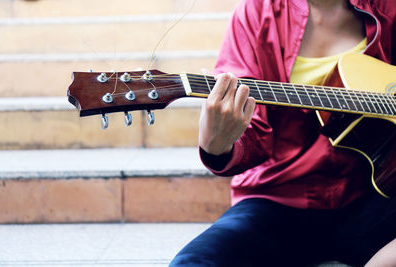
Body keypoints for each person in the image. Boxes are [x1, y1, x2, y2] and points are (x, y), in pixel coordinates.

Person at [170, 0, 396, 266]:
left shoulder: (388, 7)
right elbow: (250, 133)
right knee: (193, 262)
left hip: (374, 195)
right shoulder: (257, 11)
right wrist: (218, 144)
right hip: (279, 199)